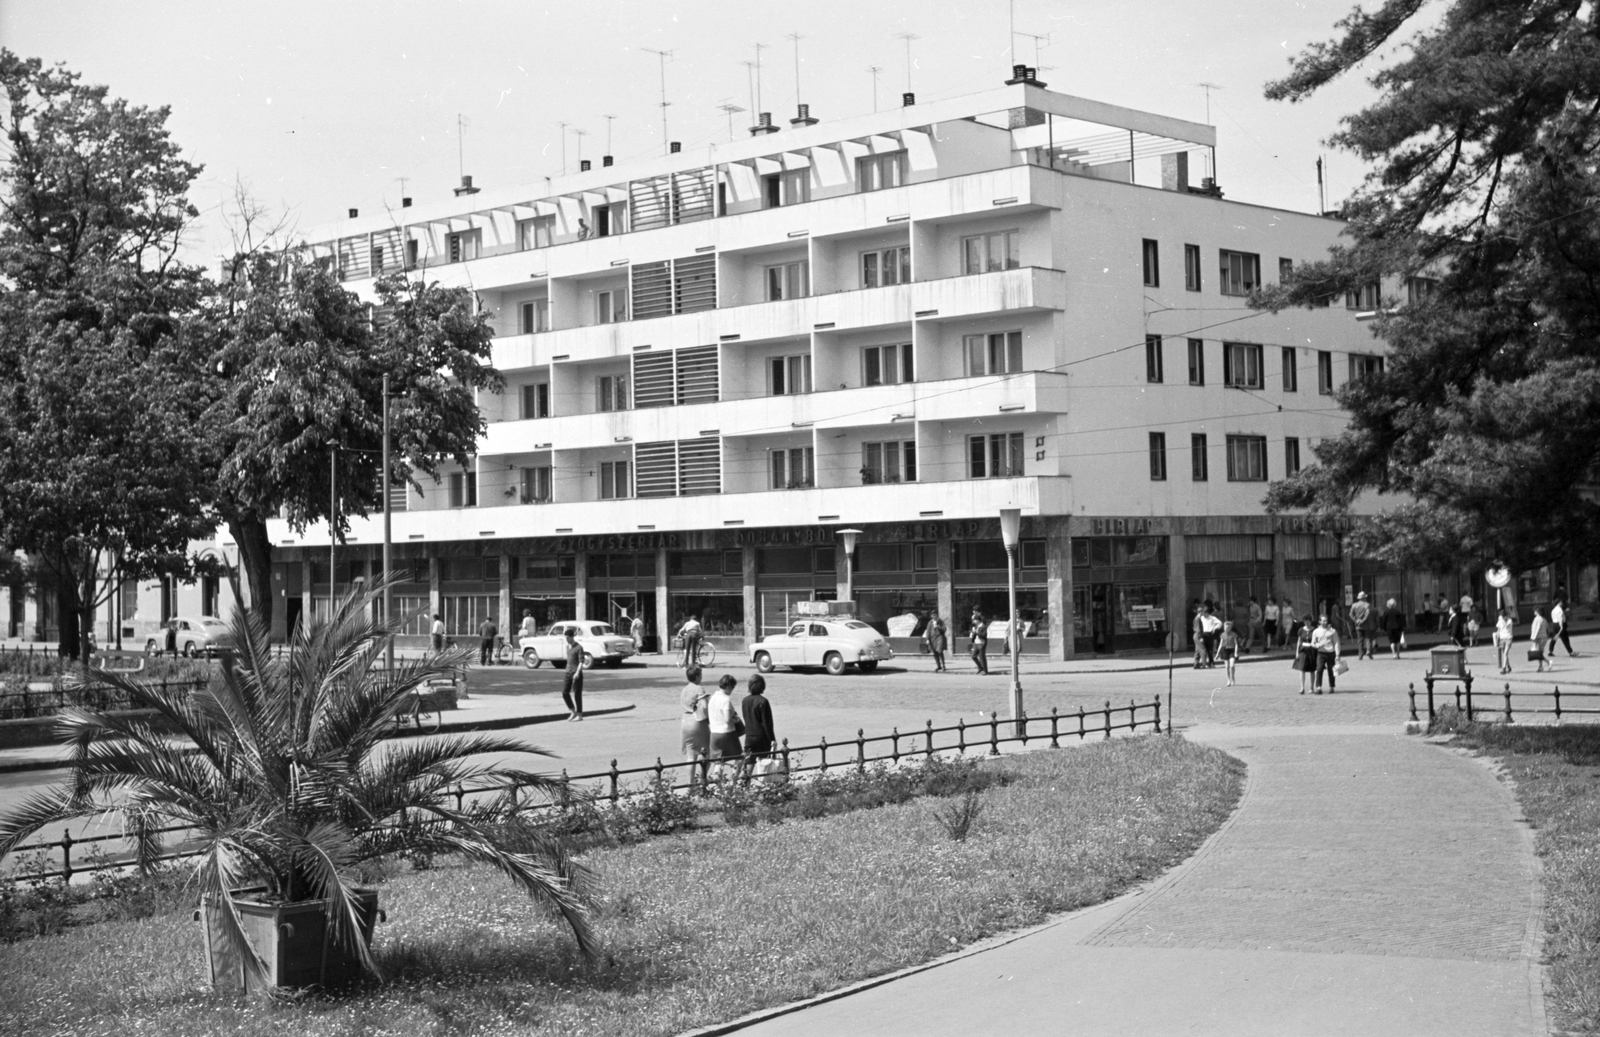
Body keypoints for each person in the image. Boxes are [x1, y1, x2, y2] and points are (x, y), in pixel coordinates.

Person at [679, 665, 710, 792]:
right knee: (707, 754)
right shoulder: (699, 688)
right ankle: (703, 780)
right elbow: (704, 706)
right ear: (697, 677)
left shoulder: (684, 689)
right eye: (701, 675)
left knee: (691, 757)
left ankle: (690, 786)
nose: (701, 677)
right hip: (697, 722)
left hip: (685, 722)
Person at [707, 674, 743, 782]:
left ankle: (718, 786)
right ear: (728, 686)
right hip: (727, 733)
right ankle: (733, 782)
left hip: (714, 734)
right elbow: (727, 719)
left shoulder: (712, 698)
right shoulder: (726, 700)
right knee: (739, 757)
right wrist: (735, 720)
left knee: (719, 761)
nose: (732, 690)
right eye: (732, 687)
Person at [740, 673, 775, 782]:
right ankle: (763, 785)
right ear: (762, 686)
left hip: (749, 736)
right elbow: (767, 723)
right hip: (762, 737)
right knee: (764, 763)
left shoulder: (745, 701)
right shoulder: (763, 701)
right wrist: (772, 739)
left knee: (749, 762)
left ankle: (744, 784)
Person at [1311, 613, 1341, 694]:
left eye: (1326, 621)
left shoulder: (1332, 631)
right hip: (1321, 653)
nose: (1324, 622)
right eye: (1323, 621)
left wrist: (1337, 655)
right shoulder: (1316, 631)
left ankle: (1331, 687)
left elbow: (1336, 643)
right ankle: (1318, 687)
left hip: (1331, 653)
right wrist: (1316, 645)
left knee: (1331, 670)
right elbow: (1313, 643)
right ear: (1319, 621)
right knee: (1319, 669)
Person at [561, 625, 585, 720]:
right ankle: (572, 711)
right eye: (565, 638)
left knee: (577, 694)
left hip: (576, 673)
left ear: (572, 637)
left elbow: (581, 662)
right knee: (564, 692)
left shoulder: (579, 647)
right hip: (568, 672)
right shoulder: (567, 647)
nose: (566, 639)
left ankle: (579, 715)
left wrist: (577, 673)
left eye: (568, 638)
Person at [1292, 621, 1318, 695]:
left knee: (1312, 669)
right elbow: (1299, 641)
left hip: (1311, 650)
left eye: (1308, 621)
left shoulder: (1314, 630)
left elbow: (1316, 640)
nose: (1307, 623)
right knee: (1302, 668)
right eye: (1305, 621)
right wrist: (1297, 652)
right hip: (1303, 650)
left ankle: (1311, 688)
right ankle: (1302, 688)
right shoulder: (1301, 630)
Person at [1349, 591, 1374, 659]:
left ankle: (1360, 655)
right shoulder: (1367, 605)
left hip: (1358, 625)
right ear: (1364, 598)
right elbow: (1367, 614)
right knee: (1368, 639)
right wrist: (1362, 621)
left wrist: (1356, 620)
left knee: (1360, 640)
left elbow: (1351, 614)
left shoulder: (1354, 605)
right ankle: (1368, 651)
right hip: (1366, 624)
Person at [1217, 620, 1242, 686]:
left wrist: (1236, 653)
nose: (1226, 629)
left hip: (1232, 650)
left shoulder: (1233, 634)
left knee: (1232, 665)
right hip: (1225, 650)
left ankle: (1233, 678)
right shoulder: (1222, 635)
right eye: (1225, 628)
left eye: (1227, 628)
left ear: (1230, 628)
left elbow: (1236, 644)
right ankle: (1228, 680)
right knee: (1227, 666)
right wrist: (1217, 654)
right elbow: (1220, 644)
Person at [1529, 606, 1552, 672]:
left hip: (1539, 638)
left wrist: (1534, 638)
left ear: (1538, 612)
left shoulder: (1537, 619)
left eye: (1535, 611)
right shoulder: (1544, 619)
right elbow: (1548, 628)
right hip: (1544, 637)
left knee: (1538, 653)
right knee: (1540, 652)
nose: (1534, 612)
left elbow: (1537, 629)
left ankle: (1548, 662)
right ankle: (1540, 667)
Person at [1494, 605, 1516, 674]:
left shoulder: (1509, 621)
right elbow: (1498, 629)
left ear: (1507, 616)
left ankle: (1504, 668)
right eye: (1502, 616)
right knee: (1504, 654)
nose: (1503, 617)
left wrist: (1502, 620)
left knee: (1506, 653)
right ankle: (1508, 666)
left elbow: (1506, 626)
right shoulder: (1500, 621)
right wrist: (1497, 637)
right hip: (1502, 638)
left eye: (1504, 616)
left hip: (1509, 638)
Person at [969, 609, 989, 674]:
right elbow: (975, 634)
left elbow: (984, 635)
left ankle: (985, 670)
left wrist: (977, 632)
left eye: (975, 620)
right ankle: (980, 667)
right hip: (976, 642)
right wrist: (972, 633)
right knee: (973, 656)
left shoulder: (983, 626)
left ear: (978, 620)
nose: (974, 621)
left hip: (981, 643)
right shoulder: (976, 627)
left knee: (982, 656)